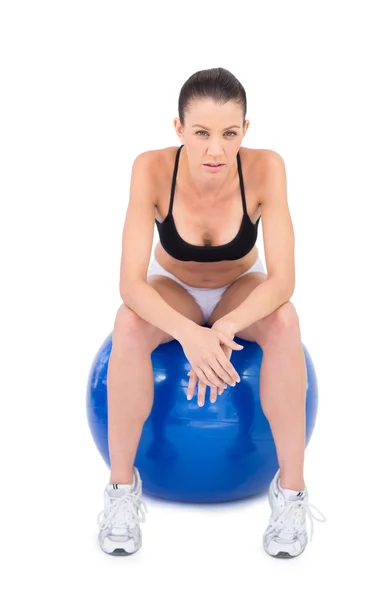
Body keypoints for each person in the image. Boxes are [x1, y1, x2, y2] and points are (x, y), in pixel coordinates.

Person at [96, 67, 326, 558]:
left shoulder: (266, 168)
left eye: (229, 133)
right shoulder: (151, 168)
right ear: (178, 129)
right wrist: (188, 335)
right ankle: (119, 494)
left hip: (240, 291)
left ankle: (291, 496)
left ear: (245, 129)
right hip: (174, 289)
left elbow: (283, 280)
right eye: (201, 133)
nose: (215, 150)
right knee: (127, 323)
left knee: (286, 320)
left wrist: (222, 327)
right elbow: (129, 283)